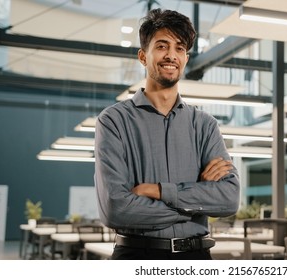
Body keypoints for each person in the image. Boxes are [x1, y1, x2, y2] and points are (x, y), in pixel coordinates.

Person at [94, 8, 240, 260]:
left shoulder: (205, 125)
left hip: (196, 258)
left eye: (180, 48)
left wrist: (160, 191)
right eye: (162, 46)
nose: (171, 55)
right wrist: (197, 204)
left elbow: (229, 199)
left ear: (185, 58)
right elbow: (116, 209)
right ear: (142, 56)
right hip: (136, 256)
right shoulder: (114, 121)